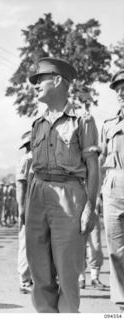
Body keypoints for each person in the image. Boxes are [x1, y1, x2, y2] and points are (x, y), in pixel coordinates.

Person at [25, 57, 99, 313]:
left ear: (57, 80)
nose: (35, 86)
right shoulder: (37, 123)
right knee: (39, 271)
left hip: (70, 196)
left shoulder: (82, 119)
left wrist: (90, 206)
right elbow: (31, 169)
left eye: (40, 80)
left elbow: (93, 168)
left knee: (68, 273)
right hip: (38, 194)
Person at [100, 70, 124, 312]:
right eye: (118, 87)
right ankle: (121, 302)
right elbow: (99, 162)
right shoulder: (108, 125)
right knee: (115, 249)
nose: (121, 92)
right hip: (112, 188)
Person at [79, 192, 107, 290]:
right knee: (79, 246)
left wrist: (99, 196)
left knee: (96, 247)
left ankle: (95, 277)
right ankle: (80, 278)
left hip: (93, 211)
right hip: (77, 208)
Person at [16, 131, 33, 294]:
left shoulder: (37, 158)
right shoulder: (27, 160)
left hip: (37, 205)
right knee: (26, 243)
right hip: (29, 205)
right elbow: (21, 185)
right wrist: (21, 209)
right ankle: (24, 280)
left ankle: (30, 278)